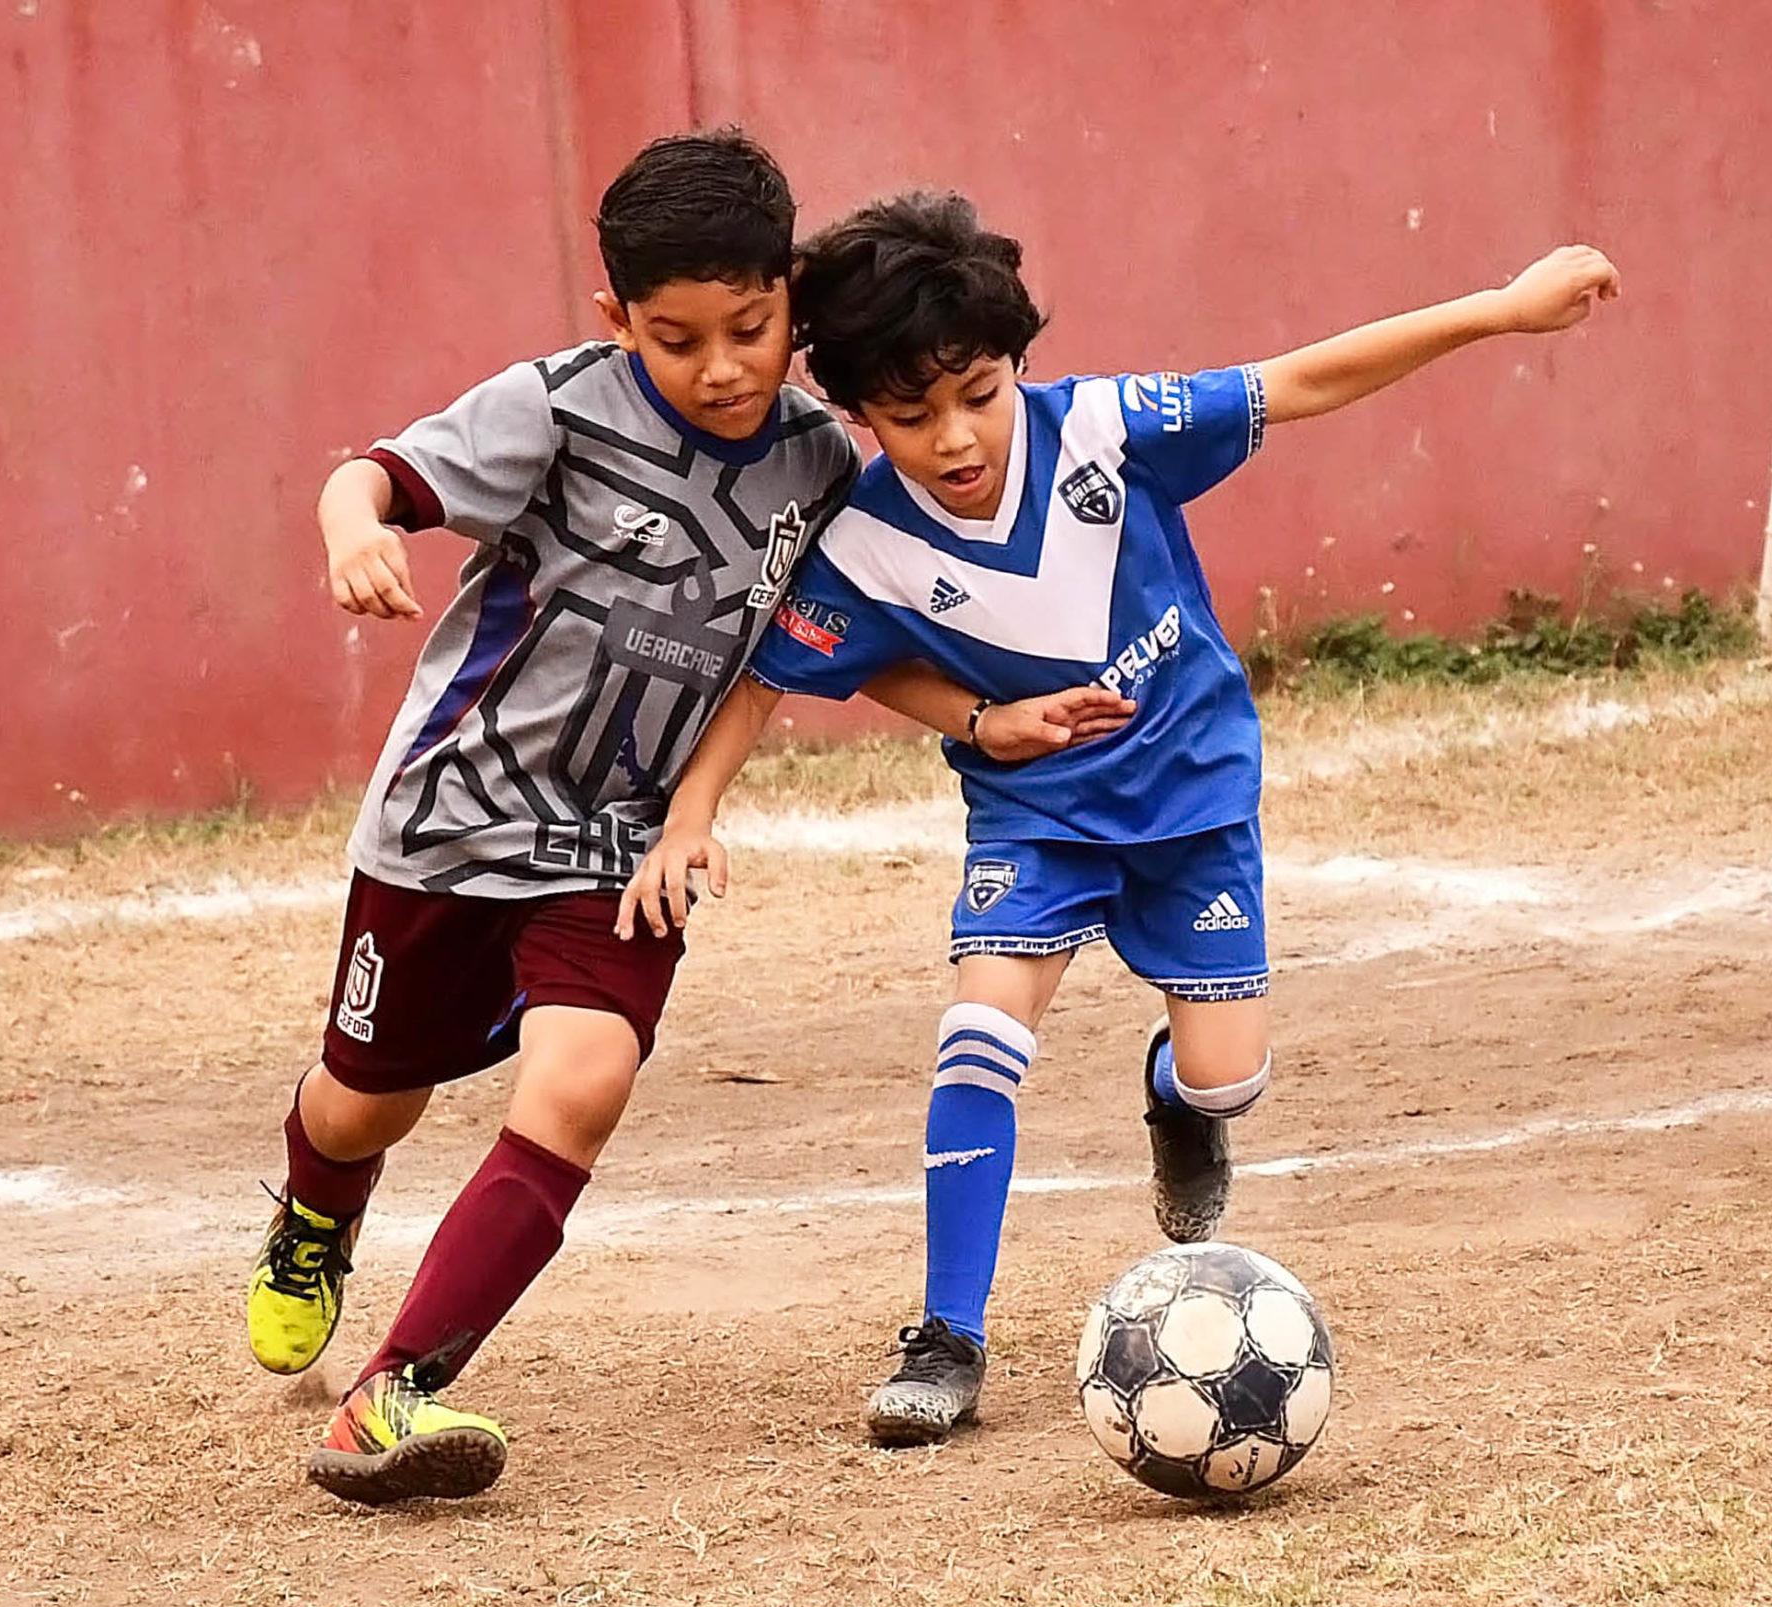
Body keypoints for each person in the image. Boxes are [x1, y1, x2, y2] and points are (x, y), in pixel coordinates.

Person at [621, 191, 1619, 1442]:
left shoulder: (1105, 428)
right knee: (976, 1038)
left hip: (1193, 804)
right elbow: (793, 668)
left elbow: (1299, 381)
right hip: (1033, 823)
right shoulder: (863, 540)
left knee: (1229, 1074)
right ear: (857, 413)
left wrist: (1500, 311)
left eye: (976, 395)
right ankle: (948, 1338)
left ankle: (1177, 1105)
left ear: (1015, 364)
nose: (954, 439)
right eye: (911, 416)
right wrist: (725, 800)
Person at [246, 131, 1123, 1505]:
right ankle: (315, 1210)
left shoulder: (820, 466)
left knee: (581, 1083)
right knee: (366, 1102)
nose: (721, 365)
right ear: (617, 320)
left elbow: (812, 646)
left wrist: (974, 716)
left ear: (790, 301)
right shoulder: (553, 409)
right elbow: (373, 478)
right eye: (676, 337)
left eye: (752, 329)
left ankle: (391, 1391)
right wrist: (350, 531)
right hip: (447, 827)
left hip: (622, 844)